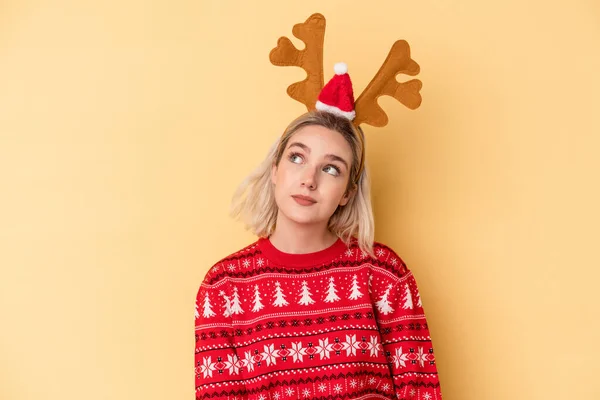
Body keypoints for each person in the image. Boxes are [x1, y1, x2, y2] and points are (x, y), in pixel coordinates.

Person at [194, 64, 442, 400]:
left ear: (347, 193)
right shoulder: (223, 287)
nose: (309, 179)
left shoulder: (385, 275)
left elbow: (422, 394)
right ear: (275, 170)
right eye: (297, 158)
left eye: (331, 168)